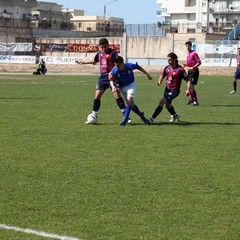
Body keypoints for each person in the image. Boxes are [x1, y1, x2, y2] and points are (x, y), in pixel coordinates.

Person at [76, 38, 129, 124]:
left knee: (117, 94)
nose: (104, 49)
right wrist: (83, 62)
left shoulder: (113, 53)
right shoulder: (99, 53)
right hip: (103, 77)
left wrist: (121, 72)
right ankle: (94, 114)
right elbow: (94, 60)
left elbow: (119, 63)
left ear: (108, 45)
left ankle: (125, 115)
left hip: (112, 77)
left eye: (105, 47)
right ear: (100, 47)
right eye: (102, 47)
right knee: (97, 95)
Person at [147, 52, 190, 124]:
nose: (168, 62)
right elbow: (162, 75)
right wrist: (160, 80)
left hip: (175, 90)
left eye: (170, 60)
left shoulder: (180, 70)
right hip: (167, 90)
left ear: (174, 59)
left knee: (162, 101)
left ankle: (152, 119)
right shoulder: (167, 68)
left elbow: (188, 80)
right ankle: (175, 115)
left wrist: (188, 90)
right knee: (167, 105)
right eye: (168, 60)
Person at [108, 56, 152, 126]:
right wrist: (113, 86)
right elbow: (111, 79)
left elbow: (138, 67)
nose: (117, 67)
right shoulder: (115, 70)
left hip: (131, 85)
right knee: (131, 104)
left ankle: (125, 120)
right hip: (122, 87)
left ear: (123, 63)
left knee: (129, 101)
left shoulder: (129, 66)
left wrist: (147, 74)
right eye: (116, 65)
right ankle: (141, 116)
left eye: (118, 65)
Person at [183, 41, 201, 106]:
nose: (187, 47)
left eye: (188, 46)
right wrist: (186, 64)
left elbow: (199, 62)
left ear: (191, 46)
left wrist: (193, 67)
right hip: (190, 71)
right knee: (189, 86)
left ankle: (195, 101)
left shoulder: (194, 53)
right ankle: (191, 100)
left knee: (191, 87)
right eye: (186, 46)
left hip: (194, 72)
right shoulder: (188, 54)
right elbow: (190, 63)